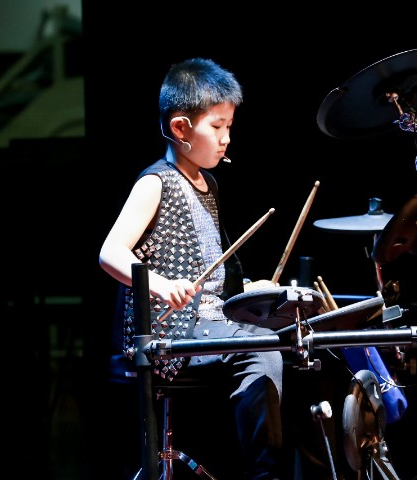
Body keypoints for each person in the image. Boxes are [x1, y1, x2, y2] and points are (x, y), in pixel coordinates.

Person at [99, 57, 284, 480]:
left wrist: (248, 289)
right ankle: (265, 474)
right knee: (261, 347)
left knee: (289, 338)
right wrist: (161, 285)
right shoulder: (156, 183)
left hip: (207, 325)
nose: (226, 138)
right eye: (216, 126)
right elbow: (110, 252)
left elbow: (210, 272)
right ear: (181, 129)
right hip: (167, 331)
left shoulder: (208, 183)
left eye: (229, 126)